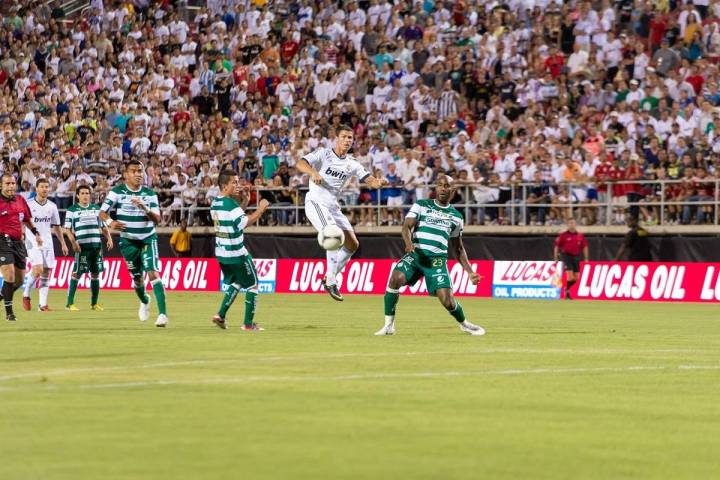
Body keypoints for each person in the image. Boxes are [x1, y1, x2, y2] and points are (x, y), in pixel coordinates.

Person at [375, 175, 485, 336]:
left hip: (437, 261)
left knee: (447, 301)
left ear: (452, 190)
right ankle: (388, 326)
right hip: (416, 254)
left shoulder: (456, 217)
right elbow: (406, 227)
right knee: (395, 278)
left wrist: (470, 271)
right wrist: (408, 243)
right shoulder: (421, 205)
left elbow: (458, 248)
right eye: (439, 185)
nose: (442, 188)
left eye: (446, 186)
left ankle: (464, 324)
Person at [296, 124, 387, 301]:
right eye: (344, 137)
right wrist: (313, 172)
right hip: (315, 202)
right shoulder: (324, 154)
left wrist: (378, 182)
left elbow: (369, 180)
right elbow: (301, 163)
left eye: (350, 138)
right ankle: (331, 280)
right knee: (332, 234)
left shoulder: (351, 163)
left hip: (332, 206)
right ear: (336, 138)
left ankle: (329, 276)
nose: (347, 140)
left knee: (352, 244)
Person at [99, 160, 169, 327]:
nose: (138, 174)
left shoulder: (149, 194)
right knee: (137, 279)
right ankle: (145, 300)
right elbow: (102, 212)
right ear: (126, 175)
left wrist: (145, 208)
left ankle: (163, 315)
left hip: (147, 238)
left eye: (140, 171)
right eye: (134, 171)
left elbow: (158, 220)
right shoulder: (117, 192)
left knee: (152, 273)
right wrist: (110, 223)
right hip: (128, 241)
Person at [210, 170, 270, 330]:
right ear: (224, 185)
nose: (237, 185)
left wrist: (245, 202)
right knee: (253, 285)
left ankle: (220, 315)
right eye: (234, 182)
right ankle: (248, 325)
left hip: (222, 253)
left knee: (237, 282)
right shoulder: (230, 204)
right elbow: (244, 223)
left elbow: (234, 219)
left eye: (237, 182)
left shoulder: (216, 202)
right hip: (237, 253)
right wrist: (261, 208)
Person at [0, 173, 43, 322]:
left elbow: (26, 219)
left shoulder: (20, 200)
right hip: (2, 241)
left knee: (19, 280)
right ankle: (9, 313)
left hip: (19, 242)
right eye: (7, 184)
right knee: (9, 275)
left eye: (13, 183)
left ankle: (2, 295)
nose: (11, 186)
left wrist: (36, 233)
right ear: (1, 185)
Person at [63, 185, 114, 311]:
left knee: (95, 274)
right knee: (77, 273)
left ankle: (94, 304)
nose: (85, 195)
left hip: (96, 246)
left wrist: (109, 238)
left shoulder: (96, 209)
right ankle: (69, 303)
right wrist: (73, 243)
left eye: (87, 193)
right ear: (78, 195)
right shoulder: (72, 210)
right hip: (82, 247)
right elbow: (67, 229)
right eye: (83, 193)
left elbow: (102, 227)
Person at [22, 178, 69, 312]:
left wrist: (63, 243)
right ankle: (26, 294)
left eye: (47, 187)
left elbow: (57, 227)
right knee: (38, 269)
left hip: (47, 242)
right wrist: (22, 235)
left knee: (46, 272)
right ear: (36, 189)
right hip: (32, 241)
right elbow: (22, 221)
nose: (45, 189)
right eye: (42, 186)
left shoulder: (52, 206)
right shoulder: (28, 204)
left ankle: (42, 305)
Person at [553, 218, 589, 299]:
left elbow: (585, 246)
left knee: (577, 277)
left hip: (576, 256)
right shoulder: (563, 235)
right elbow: (557, 246)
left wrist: (586, 258)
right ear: (567, 225)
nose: (571, 224)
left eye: (573, 223)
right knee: (570, 277)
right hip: (566, 256)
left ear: (575, 224)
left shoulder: (580, 235)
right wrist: (556, 257)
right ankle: (567, 292)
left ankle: (567, 290)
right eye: (570, 223)